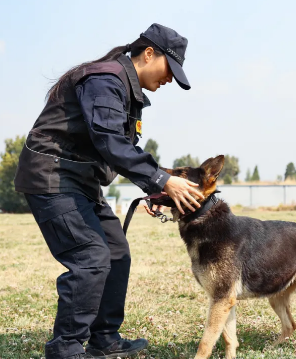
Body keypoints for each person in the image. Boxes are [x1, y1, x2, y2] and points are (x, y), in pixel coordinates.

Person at [14, 23, 204, 359]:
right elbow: (110, 141)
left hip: (80, 181)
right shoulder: (105, 80)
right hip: (53, 177)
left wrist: (157, 190)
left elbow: (116, 148)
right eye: (169, 69)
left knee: (116, 251)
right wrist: (162, 179)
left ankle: (104, 339)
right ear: (149, 53)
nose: (170, 79)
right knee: (91, 257)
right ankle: (66, 348)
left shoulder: (123, 89)